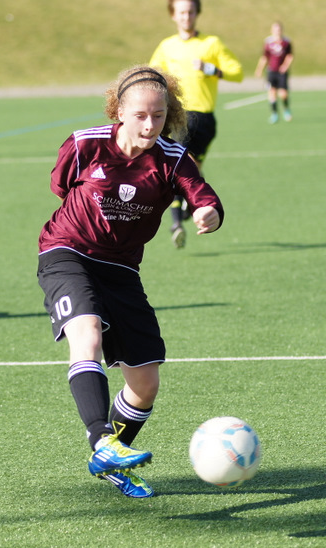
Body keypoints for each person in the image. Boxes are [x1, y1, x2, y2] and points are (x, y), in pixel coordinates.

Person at [36, 65, 225, 499]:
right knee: (86, 332)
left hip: (122, 270)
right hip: (67, 252)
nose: (149, 125)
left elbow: (201, 194)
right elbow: (61, 187)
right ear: (119, 111)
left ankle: (112, 462)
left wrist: (209, 212)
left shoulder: (172, 158)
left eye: (158, 115)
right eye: (140, 115)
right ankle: (101, 439)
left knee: (145, 385)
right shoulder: (84, 145)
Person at [150, 0, 242, 249]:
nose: (186, 16)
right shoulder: (166, 46)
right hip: (180, 117)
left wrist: (212, 69)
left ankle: (186, 208)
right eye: (181, 12)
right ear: (173, 15)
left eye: (191, 12)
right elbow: (152, 75)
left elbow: (237, 72)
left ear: (197, 14)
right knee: (179, 167)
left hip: (204, 119)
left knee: (192, 169)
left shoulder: (211, 43)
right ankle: (176, 223)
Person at [254, 21, 293, 124]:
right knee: (272, 92)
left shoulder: (286, 42)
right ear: (272, 30)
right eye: (275, 29)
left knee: (283, 94)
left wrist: (285, 66)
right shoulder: (268, 42)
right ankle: (274, 114)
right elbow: (264, 57)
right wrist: (259, 69)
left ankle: (286, 109)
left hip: (281, 72)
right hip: (271, 71)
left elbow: (290, 56)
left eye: (279, 29)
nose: (277, 31)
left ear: (282, 30)